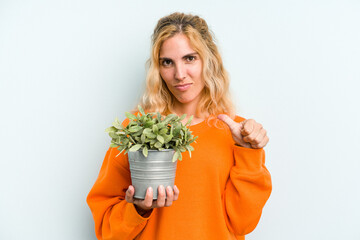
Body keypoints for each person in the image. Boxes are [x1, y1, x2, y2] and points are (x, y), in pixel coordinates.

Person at [87, 12, 272, 240]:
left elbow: (242, 223)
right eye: (168, 62)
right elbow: (107, 229)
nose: (179, 74)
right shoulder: (136, 132)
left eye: (190, 59)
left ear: (209, 60)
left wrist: (249, 153)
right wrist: (139, 209)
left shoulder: (237, 133)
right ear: (158, 69)